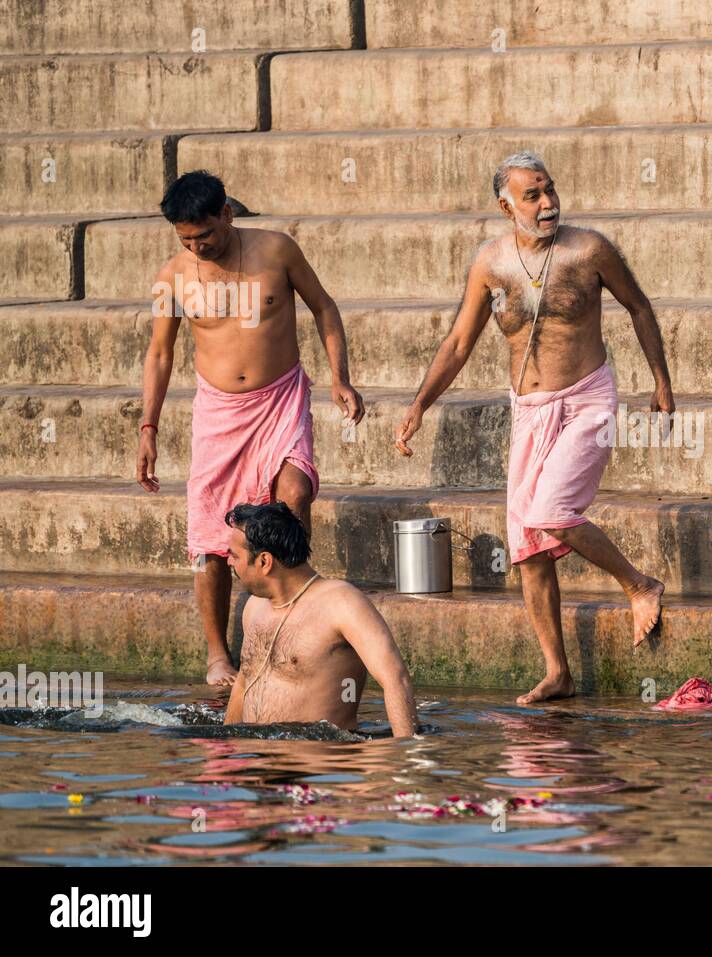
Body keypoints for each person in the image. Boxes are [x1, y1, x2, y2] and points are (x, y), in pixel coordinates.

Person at [395, 151, 673, 705]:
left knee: (550, 513)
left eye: (550, 191)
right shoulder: (490, 265)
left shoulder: (588, 249)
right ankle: (557, 672)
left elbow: (640, 308)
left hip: (588, 398)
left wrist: (662, 382)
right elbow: (457, 343)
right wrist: (419, 404)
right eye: (532, 196)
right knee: (528, 546)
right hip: (529, 410)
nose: (547, 204)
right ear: (506, 205)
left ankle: (640, 584)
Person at [136, 170, 365, 686]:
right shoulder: (171, 276)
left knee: (295, 492)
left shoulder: (278, 250)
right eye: (187, 240)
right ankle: (218, 654)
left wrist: (340, 379)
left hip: (281, 397)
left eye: (206, 236)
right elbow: (159, 352)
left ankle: (290, 616)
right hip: (218, 412)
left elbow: (324, 307)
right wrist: (148, 426)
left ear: (227, 214)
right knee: (212, 538)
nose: (198, 247)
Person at [222, 502, 418, 737]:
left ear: (264, 561)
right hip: (256, 762)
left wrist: (406, 755)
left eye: (234, 555)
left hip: (318, 764)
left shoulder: (341, 602)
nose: (228, 562)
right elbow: (243, 685)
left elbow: (395, 679)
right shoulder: (254, 607)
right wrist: (229, 752)